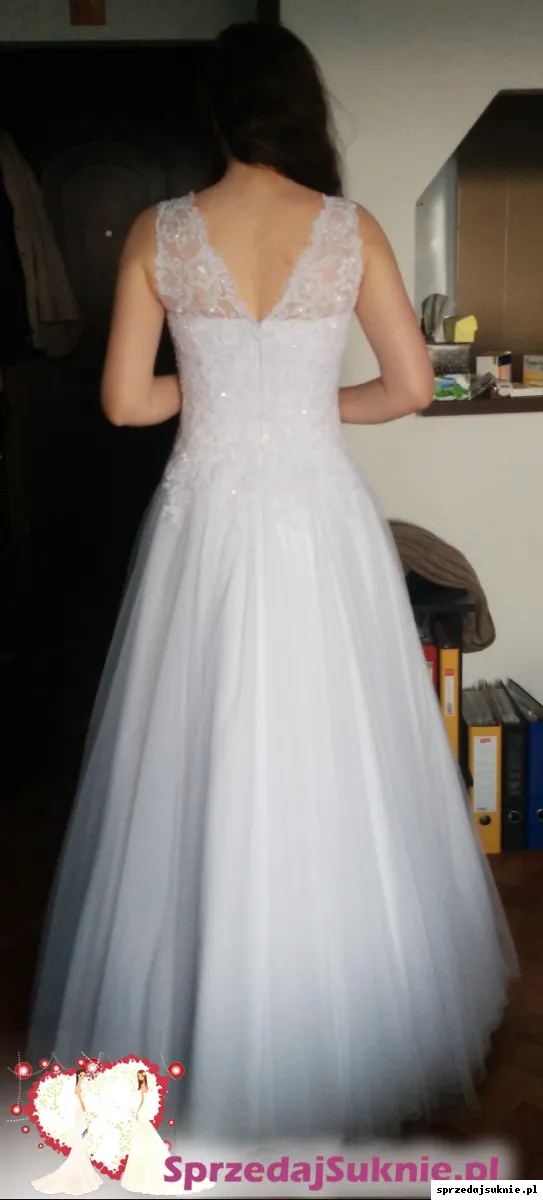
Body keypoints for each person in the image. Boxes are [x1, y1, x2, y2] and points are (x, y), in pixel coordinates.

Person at [29, 21, 517, 1142]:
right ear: (302, 107)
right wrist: (303, 406)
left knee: (194, 755)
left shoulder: (160, 230)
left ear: (217, 112)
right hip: (316, 520)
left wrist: (220, 398)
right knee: (334, 752)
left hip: (206, 526)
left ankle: (200, 1028)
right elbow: (411, 387)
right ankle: (338, 1011)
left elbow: (125, 403)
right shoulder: (350, 229)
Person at [121, 1071, 214, 1195]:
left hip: (141, 1112)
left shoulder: (143, 1087)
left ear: (144, 1077)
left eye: (141, 1076)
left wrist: (137, 1111)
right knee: (142, 1138)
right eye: (139, 1076)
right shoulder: (143, 1087)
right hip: (142, 1113)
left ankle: (145, 1170)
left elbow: (142, 1101)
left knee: (143, 1137)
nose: (140, 1078)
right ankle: (143, 1168)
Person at [32, 1068, 103, 1196]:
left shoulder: (81, 1085)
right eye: (81, 1076)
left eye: (83, 1075)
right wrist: (86, 1113)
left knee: (82, 1139)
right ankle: (79, 1165)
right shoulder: (78, 1087)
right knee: (81, 1137)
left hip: (80, 1114)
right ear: (78, 1076)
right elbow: (81, 1102)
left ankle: (82, 1164)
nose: (83, 1077)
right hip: (80, 1113)